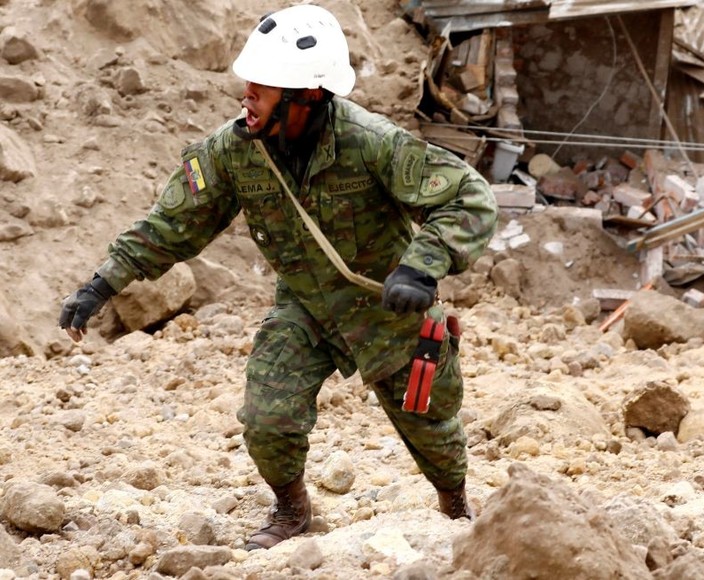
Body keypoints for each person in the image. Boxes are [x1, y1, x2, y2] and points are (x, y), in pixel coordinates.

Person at [58, 3, 497, 551]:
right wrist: (102, 284)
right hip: (305, 307)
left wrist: (422, 266)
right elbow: (172, 224)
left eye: (262, 89)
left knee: (431, 424)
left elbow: (468, 197)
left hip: (389, 308)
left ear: (307, 96)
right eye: (249, 84)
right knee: (268, 418)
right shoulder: (234, 150)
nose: (247, 97)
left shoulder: (374, 142)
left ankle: (456, 506)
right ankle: (292, 509)